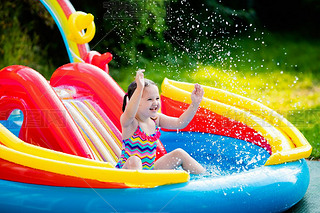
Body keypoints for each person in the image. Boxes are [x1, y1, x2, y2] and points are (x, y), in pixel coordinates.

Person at [115, 69, 206, 174]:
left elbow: (180, 123)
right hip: (126, 172)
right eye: (150, 99)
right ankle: (139, 188)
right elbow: (130, 112)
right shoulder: (130, 122)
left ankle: (207, 181)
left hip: (149, 171)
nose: (155, 103)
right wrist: (139, 89)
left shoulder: (155, 119)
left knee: (179, 153)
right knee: (135, 160)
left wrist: (195, 104)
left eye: (157, 98)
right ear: (136, 102)